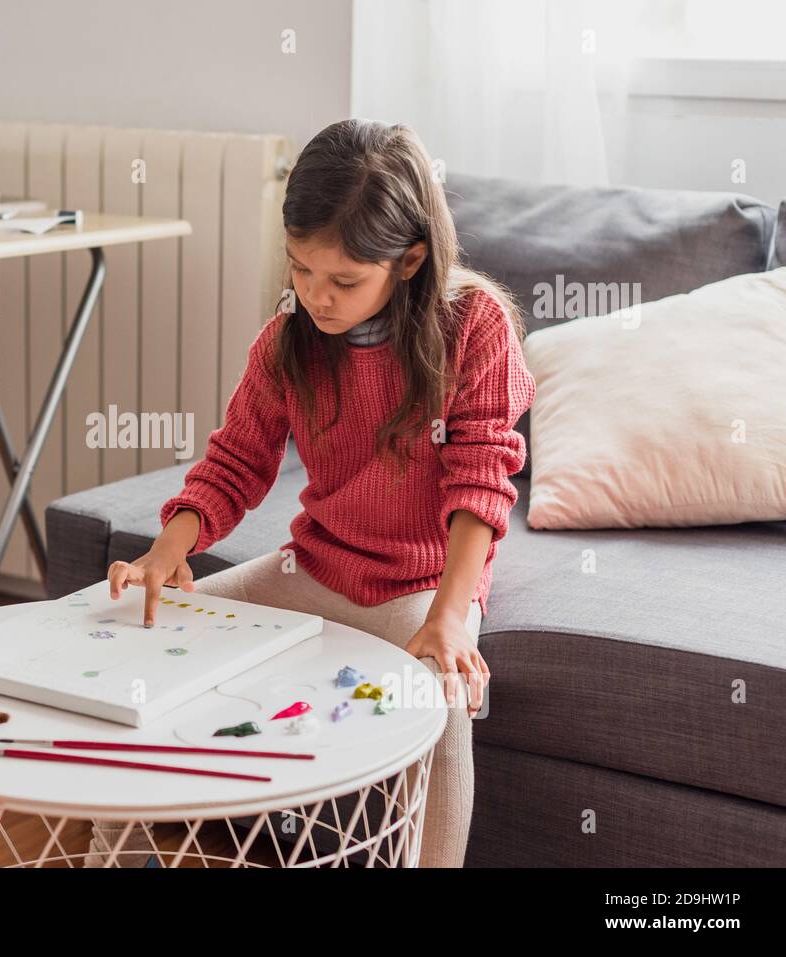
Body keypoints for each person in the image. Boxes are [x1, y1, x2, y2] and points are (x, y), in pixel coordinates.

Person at [106, 118, 536, 868]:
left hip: (421, 585)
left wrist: (449, 619)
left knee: (442, 696)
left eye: (343, 281)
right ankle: (121, 848)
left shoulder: (476, 326)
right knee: (139, 628)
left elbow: (481, 477)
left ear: (408, 261)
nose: (316, 297)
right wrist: (164, 552)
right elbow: (236, 459)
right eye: (301, 270)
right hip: (314, 567)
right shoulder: (288, 338)